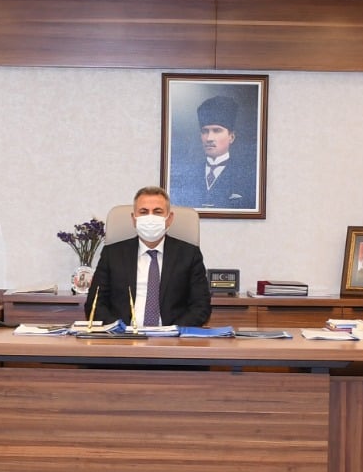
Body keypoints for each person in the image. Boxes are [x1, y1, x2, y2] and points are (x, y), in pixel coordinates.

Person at [85, 187, 210, 327]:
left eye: (157, 212)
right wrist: (119, 330)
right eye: (143, 212)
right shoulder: (112, 254)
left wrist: (173, 332)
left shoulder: (189, 254)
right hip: (123, 336)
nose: (150, 218)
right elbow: (94, 304)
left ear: (169, 219)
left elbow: (201, 307)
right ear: (134, 219)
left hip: (172, 336)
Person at [169, 95, 249, 210]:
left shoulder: (245, 176)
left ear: (231, 137)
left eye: (217, 131)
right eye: (205, 131)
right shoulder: (187, 176)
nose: (209, 138)